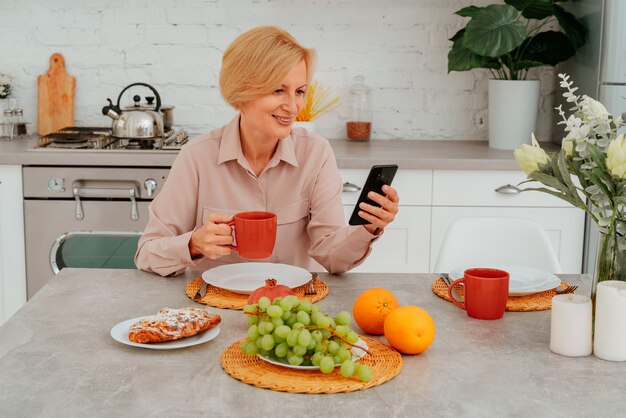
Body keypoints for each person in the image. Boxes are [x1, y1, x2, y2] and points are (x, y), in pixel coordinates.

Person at [135, 26, 400, 277]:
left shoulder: (316, 154)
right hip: (216, 310)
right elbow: (146, 254)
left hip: (291, 312)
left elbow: (333, 258)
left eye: (299, 92)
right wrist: (193, 244)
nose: (293, 106)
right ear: (241, 92)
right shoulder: (196, 157)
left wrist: (367, 227)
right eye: (278, 90)